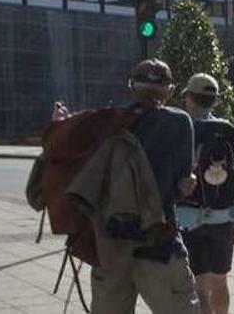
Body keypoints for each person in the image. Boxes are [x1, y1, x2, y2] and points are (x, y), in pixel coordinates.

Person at [88, 59, 201, 314]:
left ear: (131, 87)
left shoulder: (110, 122)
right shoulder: (179, 122)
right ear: (170, 90)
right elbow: (181, 186)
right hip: (158, 245)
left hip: (111, 250)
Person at [180, 73, 234, 314]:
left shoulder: (183, 130)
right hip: (224, 218)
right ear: (214, 101)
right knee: (220, 280)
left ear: (190, 99)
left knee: (199, 283)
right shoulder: (230, 131)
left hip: (189, 217)